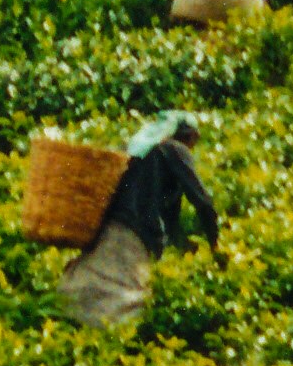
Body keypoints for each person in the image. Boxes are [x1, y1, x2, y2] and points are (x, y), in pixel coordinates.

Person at [57, 110, 224, 332]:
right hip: (134, 232)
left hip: (106, 228)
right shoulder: (174, 149)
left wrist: (184, 248)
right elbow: (202, 201)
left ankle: (74, 325)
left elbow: (171, 220)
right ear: (188, 136)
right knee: (122, 294)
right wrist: (215, 244)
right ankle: (109, 336)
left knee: (92, 282)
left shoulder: (137, 151)